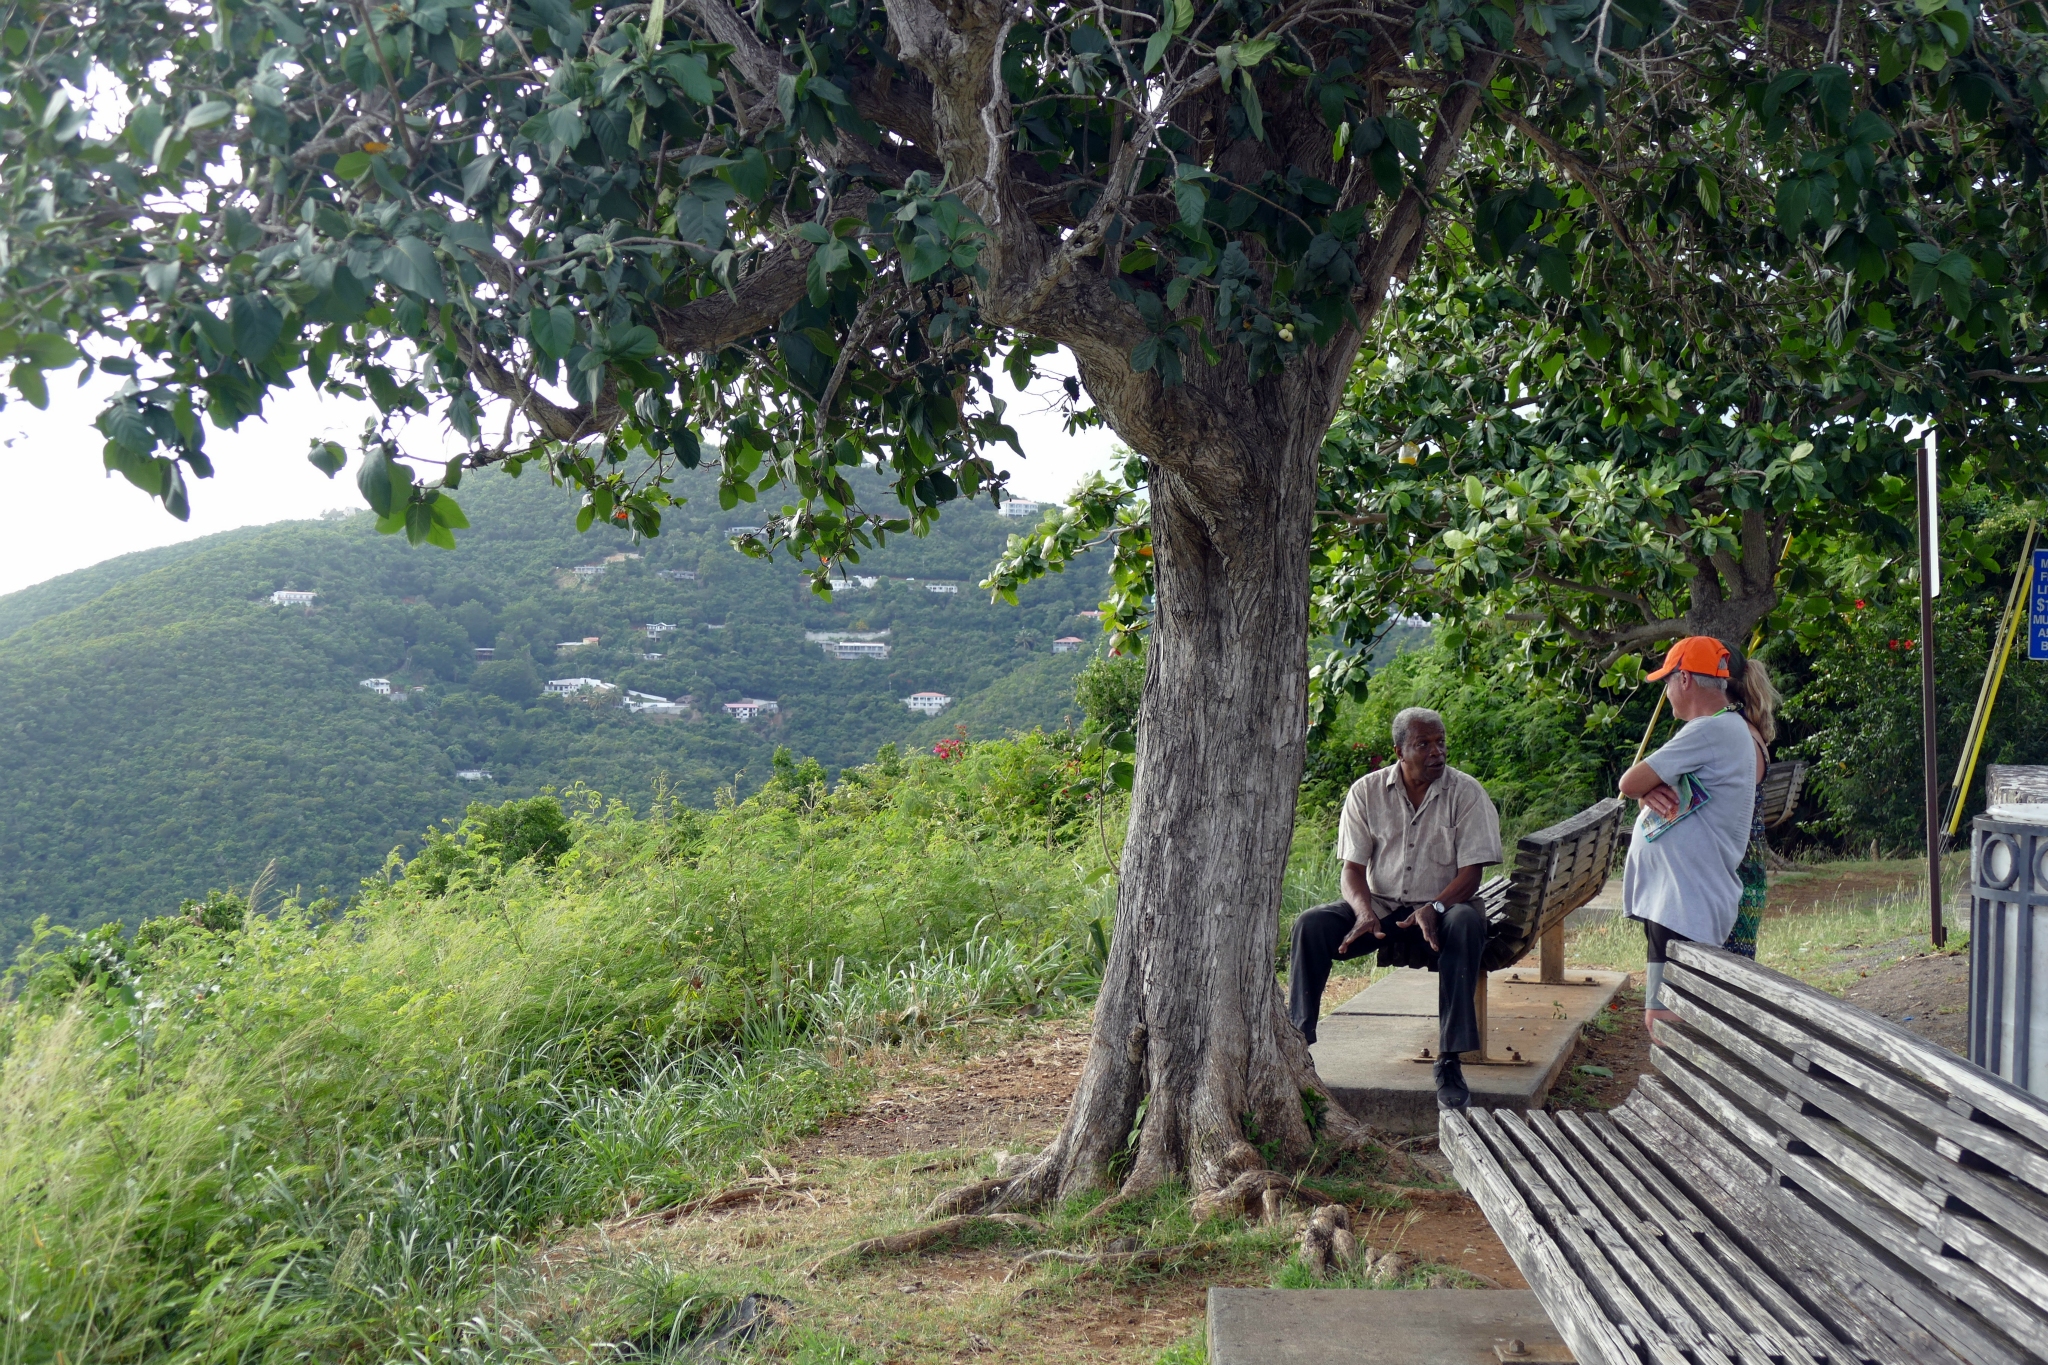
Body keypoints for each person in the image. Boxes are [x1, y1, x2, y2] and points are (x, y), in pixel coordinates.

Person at [1289, 707, 1502, 1110]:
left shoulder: (1466, 792)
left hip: (1444, 910)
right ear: (1400, 751)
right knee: (1311, 925)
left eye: (1441, 742)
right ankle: (1299, 1043)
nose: (1437, 752)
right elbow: (1352, 871)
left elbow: (1472, 875)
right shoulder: (1366, 792)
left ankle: (1450, 1061)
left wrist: (1435, 905)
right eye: (1424, 744)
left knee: (1466, 923)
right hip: (1383, 909)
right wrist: (1364, 912)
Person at [1618, 637, 1760, 1030]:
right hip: (1676, 897)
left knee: (1666, 1019)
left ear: (1684, 680)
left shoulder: (1709, 732)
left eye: (1667, 682)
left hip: (1685, 899)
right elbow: (1646, 788)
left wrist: (1643, 789)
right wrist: (1650, 792)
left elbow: (1628, 781)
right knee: (1664, 1014)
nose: (1667, 693)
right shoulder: (1723, 728)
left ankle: (1682, 1089)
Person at [1722, 658, 1781, 959]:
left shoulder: (1736, 735)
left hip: (1736, 858)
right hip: (1752, 855)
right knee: (1739, 957)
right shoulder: (1753, 734)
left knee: (1727, 963)